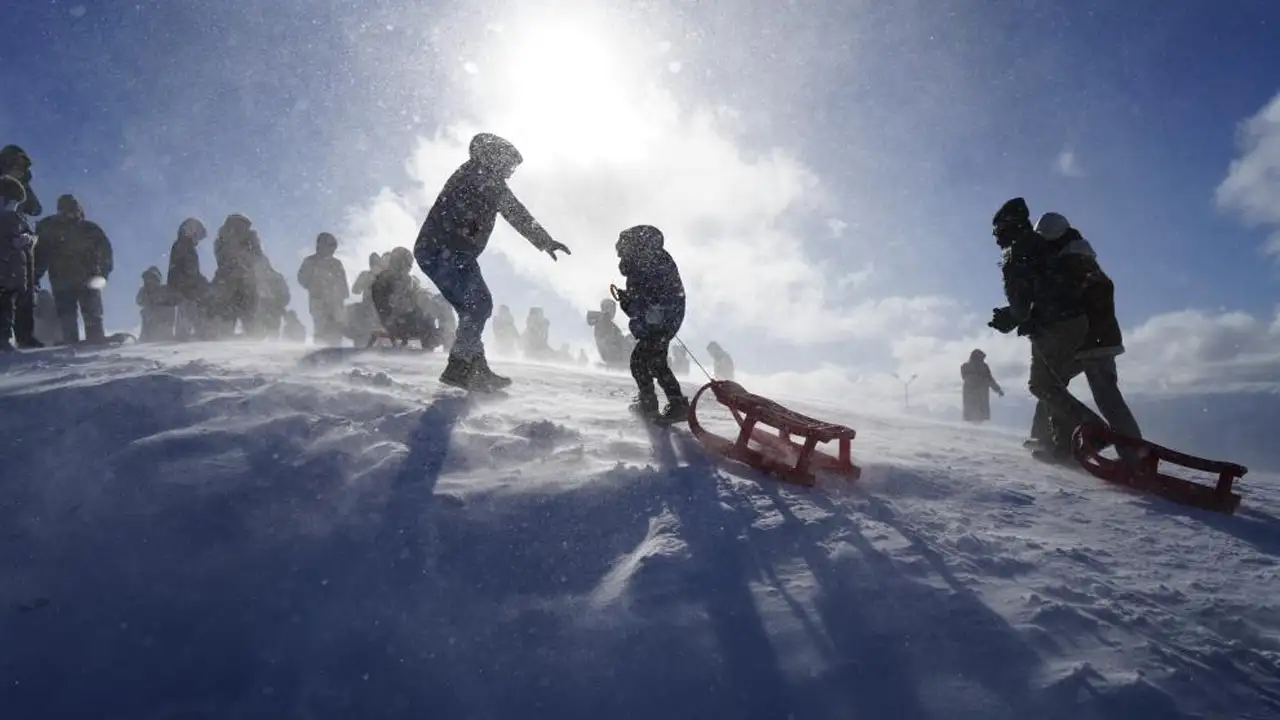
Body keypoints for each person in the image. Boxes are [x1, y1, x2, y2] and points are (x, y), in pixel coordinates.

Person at [414, 132, 570, 391]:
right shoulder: (482, 177)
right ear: (494, 157)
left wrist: (544, 241)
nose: (510, 172)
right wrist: (545, 241)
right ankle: (459, 367)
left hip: (448, 252)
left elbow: (511, 210)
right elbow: (514, 211)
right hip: (445, 251)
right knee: (478, 305)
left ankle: (476, 367)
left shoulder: (477, 174)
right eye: (509, 165)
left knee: (474, 308)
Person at [988, 197, 1107, 461]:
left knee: (1042, 385)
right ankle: (1058, 443)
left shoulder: (1018, 253)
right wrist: (1016, 314)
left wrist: (1009, 318)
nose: (996, 237)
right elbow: (1043, 289)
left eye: (998, 229)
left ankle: (1092, 429)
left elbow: (1023, 304)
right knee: (1052, 384)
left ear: (1012, 225)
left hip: (1056, 325)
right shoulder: (1042, 246)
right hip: (1075, 321)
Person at [1034, 211, 1144, 466]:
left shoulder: (1072, 262)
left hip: (1093, 341)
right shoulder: (1077, 259)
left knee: (1100, 395)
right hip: (1090, 340)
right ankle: (1053, 440)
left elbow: (1074, 303)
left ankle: (1134, 457)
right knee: (1051, 385)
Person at [614, 224, 690, 423]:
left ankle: (649, 406)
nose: (620, 252)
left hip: (660, 323)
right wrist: (630, 301)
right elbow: (646, 300)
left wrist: (631, 302)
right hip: (665, 321)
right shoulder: (651, 260)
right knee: (656, 362)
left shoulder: (645, 262)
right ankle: (676, 404)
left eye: (622, 246)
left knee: (639, 362)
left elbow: (648, 299)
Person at [33, 194, 113, 344]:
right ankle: (77, 342)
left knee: (87, 315)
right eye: (65, 210)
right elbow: (42, 256)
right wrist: (35, 276)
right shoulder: (55, 231)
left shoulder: (88, 229)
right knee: (70, 317)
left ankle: (90, 340)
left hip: (80, 280)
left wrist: (103, 273)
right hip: (68, 280)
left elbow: (105, 252)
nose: (69, 214)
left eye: (71, 210)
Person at [0, 146, 43, 348]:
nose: (18, 168)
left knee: (25, 288)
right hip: (5, 240)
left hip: (20, 238)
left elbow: (35, 209)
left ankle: (25, 335)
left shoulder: (20, 186)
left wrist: (22, 186)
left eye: (22, 165)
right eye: (15, 163)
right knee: (5, 293)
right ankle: (3, 338)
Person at [0, 176, 36, 351]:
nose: (13, 208)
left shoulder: (17, 219)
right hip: (5, 272)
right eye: (11, 203)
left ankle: (6, 340)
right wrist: (9, 244)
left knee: (8, 307)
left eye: (16, 204)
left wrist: (28, 239)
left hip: (12, 275)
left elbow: (30, 237)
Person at [297, 232, 350, 345]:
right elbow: (302, 278)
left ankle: (335, 348)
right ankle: (320, 348)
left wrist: (341, 296)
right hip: (318, 301)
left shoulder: (336, 263)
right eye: (330, 246)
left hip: (335, 303)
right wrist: (313, 285)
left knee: (336, 328)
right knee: (321, 327)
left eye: (333, 247)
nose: (332, 250)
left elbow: (343, 283)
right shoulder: (310, 261)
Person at [168, 218, 209, 341]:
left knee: (187, 313)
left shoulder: (183, 245)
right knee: (187, 313)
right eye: (197, 236)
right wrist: (201, 283)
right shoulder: (184, 245)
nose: (197, 241)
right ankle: (187, 336)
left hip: (184, 288)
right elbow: (190, 270)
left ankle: (188, 334)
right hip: (186, 289)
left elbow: (190, 271)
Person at [960, 349, 1003, 422]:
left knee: (979, 417)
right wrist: (982, 379)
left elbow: (990, 379)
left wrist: (998, 389)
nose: (982, 360)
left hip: (979, 396)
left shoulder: (983, 367)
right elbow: (966, 377)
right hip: (973, 396)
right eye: (981, 358)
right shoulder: (966, 366)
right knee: (973, 417)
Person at [136, 266, 176, 342]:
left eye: (151, 279)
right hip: (150, 331)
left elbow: (172, 302)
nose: (149, 282)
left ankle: (156, 336)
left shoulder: (164, 290)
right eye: (147, 279)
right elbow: (139, 300)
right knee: (146, 312)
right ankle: (145, 336)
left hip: (164, 330)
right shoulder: (144, 292)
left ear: (157, 280)